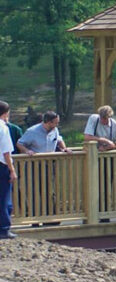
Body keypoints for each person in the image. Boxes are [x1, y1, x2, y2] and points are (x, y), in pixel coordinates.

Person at [17, 111, 71, 223]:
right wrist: (27, 151)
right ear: (48, 122)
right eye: (55, 123)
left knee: (49, 191)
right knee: (35, 191)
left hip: (49, 164)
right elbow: (20, 143)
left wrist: (64, 149)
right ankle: (35, 219)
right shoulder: (32, 131)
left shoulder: (54, 130)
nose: (57, 125)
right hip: (34, 166)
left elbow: (59, 140)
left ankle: (51, 218)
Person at [83, 106, 116, 221]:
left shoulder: (114, 125)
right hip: (91, 158)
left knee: (105, 186)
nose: (103, 120)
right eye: (102, 117)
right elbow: (87, 137)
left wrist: (108, 147)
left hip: (106, 160)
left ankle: (104, 214)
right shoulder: (93, 119)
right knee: (91, 185)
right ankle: (89, 215)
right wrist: (103, 140)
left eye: (105, 118)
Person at [0, 101, 17, 239]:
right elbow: (6, 152)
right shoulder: (3, 128)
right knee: (4, 197)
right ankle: (4, 228)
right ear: (5, 113)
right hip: (1, 166)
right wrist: (12, 170)